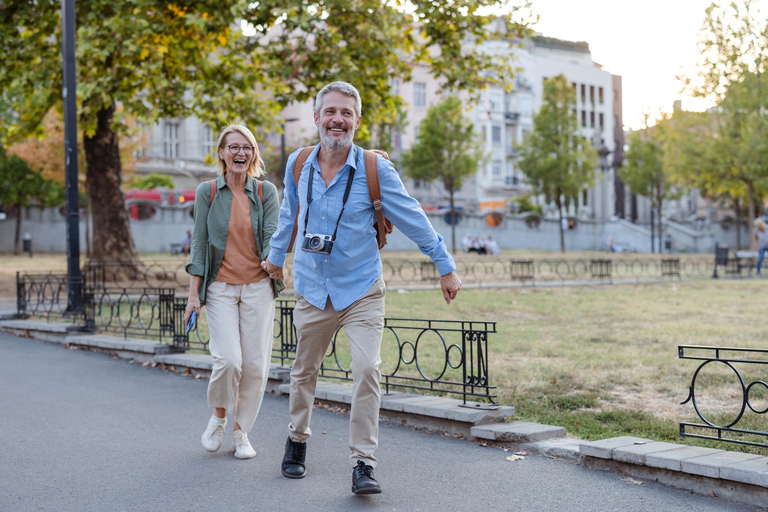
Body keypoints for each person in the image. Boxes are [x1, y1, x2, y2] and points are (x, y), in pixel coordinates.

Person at [262, 81, 461, 495]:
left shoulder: (375, 169)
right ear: (317, 118)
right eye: (330, 112)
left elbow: (412, 216)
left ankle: (363, 463)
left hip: (362, 288)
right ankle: (297, 440)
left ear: (356, 120)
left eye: (346, 113)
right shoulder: (299, 163)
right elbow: (288, 215)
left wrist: (445, 265)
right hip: (314, 288)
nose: (338, 120)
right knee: (304, 371)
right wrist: (276, 257)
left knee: (368, 369)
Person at [183, 124, 283, 460]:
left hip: (258, 287)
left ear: (254, 154)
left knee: (254, 365)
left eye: (247, 148)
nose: (241, 153)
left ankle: (242, 433)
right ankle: (219, 416)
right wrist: (193, 294)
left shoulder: (266, 192)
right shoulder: (207, 191)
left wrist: (274, 262)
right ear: (222, 153)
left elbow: (272, 235)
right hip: (221, 288)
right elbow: (198, 242)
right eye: (234, 147)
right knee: (228, 360)